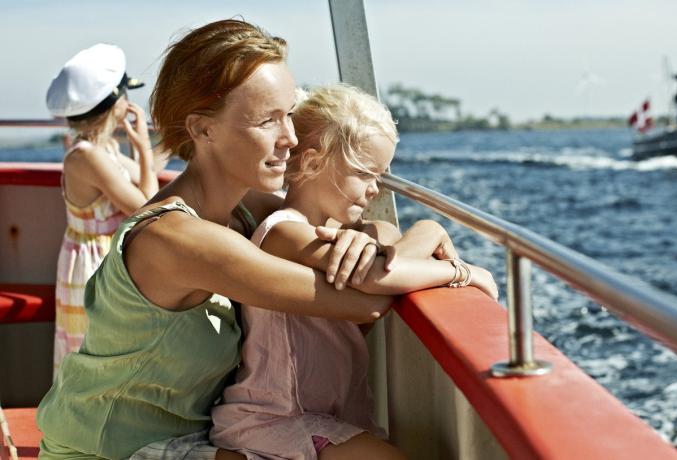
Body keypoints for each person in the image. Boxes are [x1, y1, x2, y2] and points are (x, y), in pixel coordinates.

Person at [36, 19, 408, 460]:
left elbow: (354, 242)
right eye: (268, 120)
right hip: (110, 448)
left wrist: (379, 232)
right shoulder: (179, 239)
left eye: (289, 113)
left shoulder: (251, 210)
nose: (289, 137)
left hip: (194, 438)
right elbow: (365, 302)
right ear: (202, 129)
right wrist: (440, 253)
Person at [209, 84, 498, 460]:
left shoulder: (355, 237)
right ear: (313, 164)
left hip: (332, 416)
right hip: (277, 418)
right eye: (365, 174)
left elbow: (387, 256)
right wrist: (461, 271)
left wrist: (426, 230)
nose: (376, 190)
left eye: (381, 175)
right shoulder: (283, 233)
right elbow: (375, 277)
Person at [45, 43, 161, 375]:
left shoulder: (102, 148)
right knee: (95, 353)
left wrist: (145, 154)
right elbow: (146, 206)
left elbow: (142, 180)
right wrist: (142, 145)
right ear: (115, 103)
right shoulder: (87, 156)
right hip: (93, 264)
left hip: (101, 257)